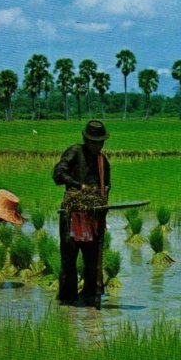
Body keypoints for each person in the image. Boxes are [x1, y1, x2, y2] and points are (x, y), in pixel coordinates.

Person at [52, 119, 111, 308]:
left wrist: (102, 208)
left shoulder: (103, 163)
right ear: (86, 139)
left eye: (100, 141)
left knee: (93, 262)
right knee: (69, 260)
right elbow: (58, 174)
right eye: (93, 141)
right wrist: (79, 186)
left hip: (93, 217)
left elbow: (106, 187)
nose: (96, 145)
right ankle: (68, 301)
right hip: (72, 214)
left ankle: (90, 299)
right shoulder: (75, 152)